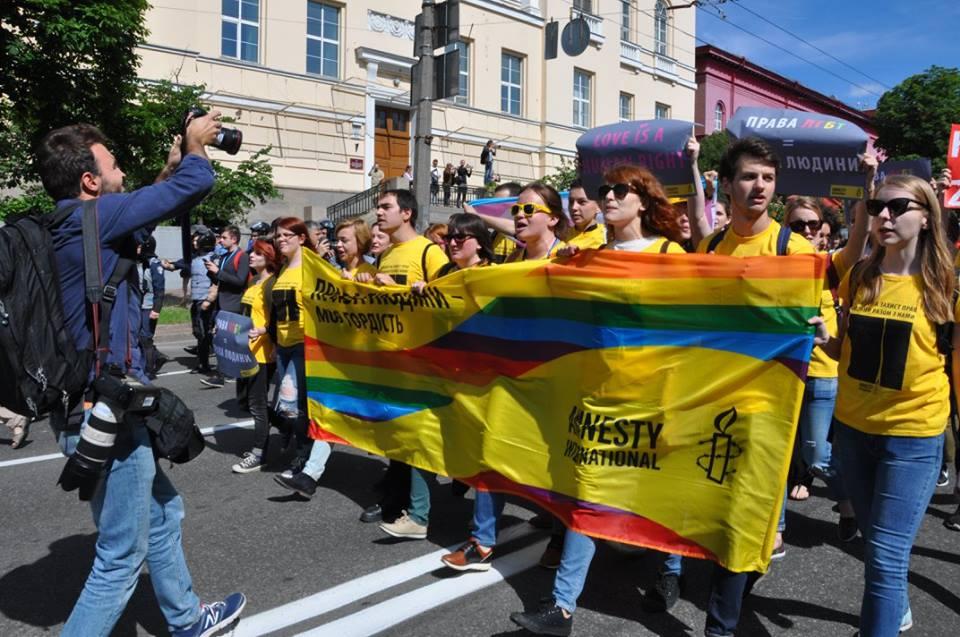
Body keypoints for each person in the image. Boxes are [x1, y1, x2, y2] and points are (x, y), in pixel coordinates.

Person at [39, 118, 245, 635]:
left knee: (163, 512)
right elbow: (194, 186)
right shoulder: (97, 219)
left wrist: (168, 169)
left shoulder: (76, 225)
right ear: (90, 181)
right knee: (119, 559)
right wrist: (196, 147)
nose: (122, 170)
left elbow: (147, 210)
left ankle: (187, 618)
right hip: (106, 411)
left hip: (94, 402)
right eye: (113, 164)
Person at [508, 166, 685, 636]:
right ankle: (561, 608)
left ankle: (669, 571)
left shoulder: (670, 253)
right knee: (589, 497)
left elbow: (699, 318)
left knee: (659, 493)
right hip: (600, 396)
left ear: (643, 201)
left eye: (619, 190)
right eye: (604, 190)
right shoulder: (593, 254)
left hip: (656, 396)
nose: (607, 196)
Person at [812, 174, 955, 637]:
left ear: (928, 218)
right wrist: (827, 338)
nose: (885, 216)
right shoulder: (860, 277)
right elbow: (845, 355)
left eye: (898, 206)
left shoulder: (946, 288)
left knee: (885, 558)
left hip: (912, 439)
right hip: (853, 432)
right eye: (877, 207)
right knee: (878, 546)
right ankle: (897, 612)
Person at [356, 190, 448, 525]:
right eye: (379, 206)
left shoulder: (427, 250)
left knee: (414, 433)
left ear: (406, 213)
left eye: (385, 207)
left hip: (420, 357)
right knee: (394, 432)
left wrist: (424, 288)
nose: (378, 212)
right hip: (390, 356)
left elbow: (452, 292)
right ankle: (396, 496)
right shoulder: (388, 253)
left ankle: (404, 503)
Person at [784, 195, 866, 542]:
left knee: (816, 454)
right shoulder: (775, 263)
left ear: (823, 229)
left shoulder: (831, 265)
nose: (805, 230)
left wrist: (866, 189)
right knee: (775, 455)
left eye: (812, 224)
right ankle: (775, 530)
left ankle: (851, 502)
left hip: (821, 374)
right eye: (797, 225)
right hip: (780, 372)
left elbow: (860, 239)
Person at [270, 217, 320, 484]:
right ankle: (300, 446)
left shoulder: (313, 267)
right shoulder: (283, 269)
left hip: (304, 344)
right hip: (283, 345)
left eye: (288, 235)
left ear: (301, 238)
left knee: (295, 405)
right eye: (278, 236)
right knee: (287, 406)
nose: (281, 240)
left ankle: (303, 458)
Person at [232, 239, 278, 473]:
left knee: (257, 404)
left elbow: (277, 320)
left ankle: (259, 453)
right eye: (252, 252)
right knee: (244, 400)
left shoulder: (272, 284)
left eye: (257, 254)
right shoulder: (254, 280)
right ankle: (287, 425)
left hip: (262, 353)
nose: (251, 256)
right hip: (245, 351)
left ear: (268, 258)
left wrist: (266, 332)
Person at [201, 225, 250, 389]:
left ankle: (223, 374)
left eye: (224, 237)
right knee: (222, 340)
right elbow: (219, 281)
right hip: (221, 303)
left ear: (234, 239)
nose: (220, 240)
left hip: (234, 304)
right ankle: (228, 372)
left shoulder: (242, 256)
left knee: (227, 340)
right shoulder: (224, 256)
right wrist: (211, 271)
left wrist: (218, 272)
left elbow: (240, 281)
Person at [505, 182, 570, 262]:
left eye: (528, 209)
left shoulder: (568, 257)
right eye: (516, 209)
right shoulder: (512, 259)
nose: (519, 215)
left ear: (553, 219)